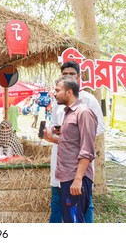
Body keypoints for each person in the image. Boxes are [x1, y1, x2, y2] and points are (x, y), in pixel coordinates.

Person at [45, 61, 105, 223]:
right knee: (57, 200)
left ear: (78, 77)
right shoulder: (59, 101)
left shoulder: (88, 101)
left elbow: (99, 127)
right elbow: (54, 125)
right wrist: (55, 132)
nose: (68, 76)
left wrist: (73, 136)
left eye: (72, 74)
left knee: (84, 203)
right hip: (60, 158)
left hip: (78, 161)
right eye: (65, 74)